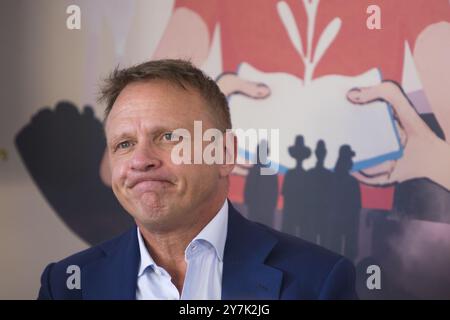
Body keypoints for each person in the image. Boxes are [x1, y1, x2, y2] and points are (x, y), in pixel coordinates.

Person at [37, 59, 356, 300]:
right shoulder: (66, 284)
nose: (140, 160)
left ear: (225, 154)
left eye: (167, 136)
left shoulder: (318, 282)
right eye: (125, 144)